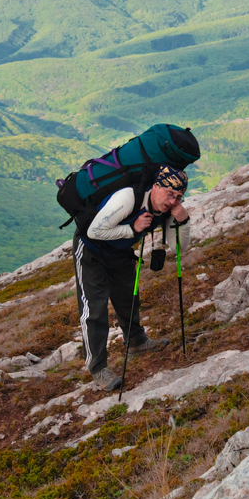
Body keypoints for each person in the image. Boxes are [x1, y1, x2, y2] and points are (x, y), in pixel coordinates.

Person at [73, 164, 189, 390]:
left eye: (178, 197)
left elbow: (179, 249)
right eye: (169, 193)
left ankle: (136, 342)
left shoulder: (167, 210)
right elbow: (94, 232)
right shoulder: (128, 198)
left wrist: (183, 220)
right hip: (91, 251)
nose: (172, 201)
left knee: (128, 298)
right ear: (156, 186)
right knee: (94, 309)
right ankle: (98, 368)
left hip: (120, 253)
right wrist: (133, 229)